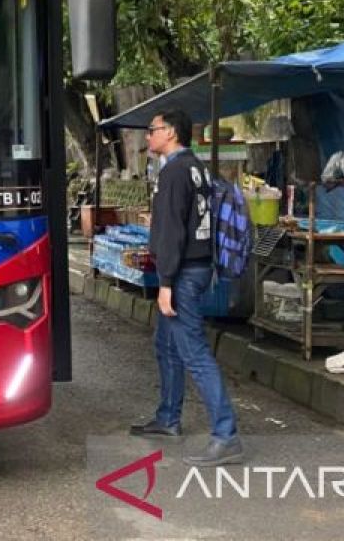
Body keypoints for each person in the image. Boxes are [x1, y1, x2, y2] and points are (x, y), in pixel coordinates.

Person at [130, 108, 243, 466]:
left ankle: (226, 435)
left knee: (193, 352)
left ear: (172, 133)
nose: (148, 136)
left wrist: (165, 283)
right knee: (166, 344)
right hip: (196, 266)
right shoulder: (196, 168)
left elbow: (174, 231)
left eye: (153, 130)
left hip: (182, 274)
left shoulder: (175, 172)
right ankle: (168, 418)